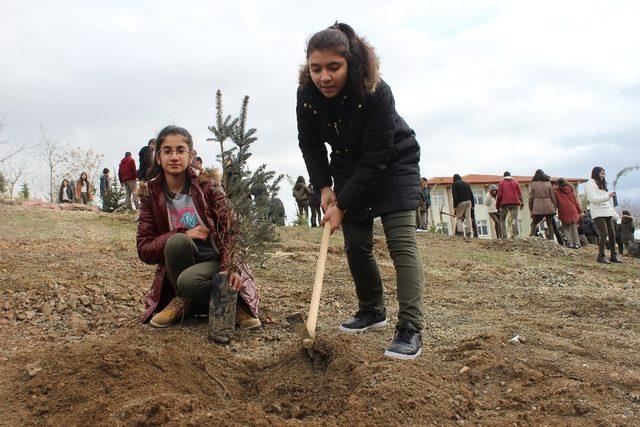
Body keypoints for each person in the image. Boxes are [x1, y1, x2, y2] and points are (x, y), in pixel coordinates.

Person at [296, 22, 424, 360]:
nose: (324, 76)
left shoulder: (376, 91)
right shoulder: (307, 95)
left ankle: (410, 327)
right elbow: (310, 144)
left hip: (394, 161)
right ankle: (372, 309)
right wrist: (323, 187)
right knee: (355, 243)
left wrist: (342, 205)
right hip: (349, 167)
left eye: (333, 67)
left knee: (401, 243)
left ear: (350, 63)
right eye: (316, 68)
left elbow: (378, 157)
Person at [136, 125, 260, 329]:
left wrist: (228, 268)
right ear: (158, 157)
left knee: (188, 282)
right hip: (183, 261)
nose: (174, 156)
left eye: (180, 150)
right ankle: (185, 301)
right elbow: (144, 249)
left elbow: (232, 230)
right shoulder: (150, 195)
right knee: (177, 242)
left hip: (215, 258)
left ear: (191, 154)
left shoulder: (208, 186)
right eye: (167, 151)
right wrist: (183, 232)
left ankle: (232, 304)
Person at [585, 166, 621, 264]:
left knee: (612, 234)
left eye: (604, 173)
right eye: (601, 173)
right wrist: (607, 196)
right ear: (596, 173)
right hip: (598, 211)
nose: (603, 175)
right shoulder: (590, 184)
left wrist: (616, 216)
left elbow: (608, 203)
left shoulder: (602, 185)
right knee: (604, 234)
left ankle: (614, 256)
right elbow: (593, 199)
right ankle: (601, 256)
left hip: (607, 211)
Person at [528, 170, 563, 245]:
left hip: (538, 206)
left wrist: (530, 208)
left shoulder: (533, 184)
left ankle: (532, 238)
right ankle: (552, 240)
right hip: (548, 205)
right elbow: (552, 196)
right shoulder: (548, 183)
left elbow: (530, 197)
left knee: (534, 223)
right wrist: (555, 206)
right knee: (549, 223)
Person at [554, 178, 582, 248]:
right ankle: (577, 244)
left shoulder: (556, 192)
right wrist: (580, 211)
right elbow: (576, 202)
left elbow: (556, 203)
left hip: (563, 211)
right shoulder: (571, 190)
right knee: (573, 227)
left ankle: (570, 243)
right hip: (573, 210)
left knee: (565, 228)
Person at [496, 171, 523, 239]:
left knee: (502, 219)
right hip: (515, 203)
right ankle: (515, 234)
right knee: (514, 219)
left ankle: (504, 235)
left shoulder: (501, 183)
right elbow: (519, 194)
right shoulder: (515, 182)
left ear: (504, 176)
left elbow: (499, 195)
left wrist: (497, 205)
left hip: (505, 204)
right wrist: (522, 203)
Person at [451, 174, 474, 239]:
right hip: (469, 201)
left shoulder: (455, 184)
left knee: (459, 217)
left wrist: (455, 206)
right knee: (468, 217)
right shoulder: (466, 183)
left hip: (461, 202)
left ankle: (460, 232)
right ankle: (469, 232)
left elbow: (454, 196)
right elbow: (471, 194)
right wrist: (473, 204)